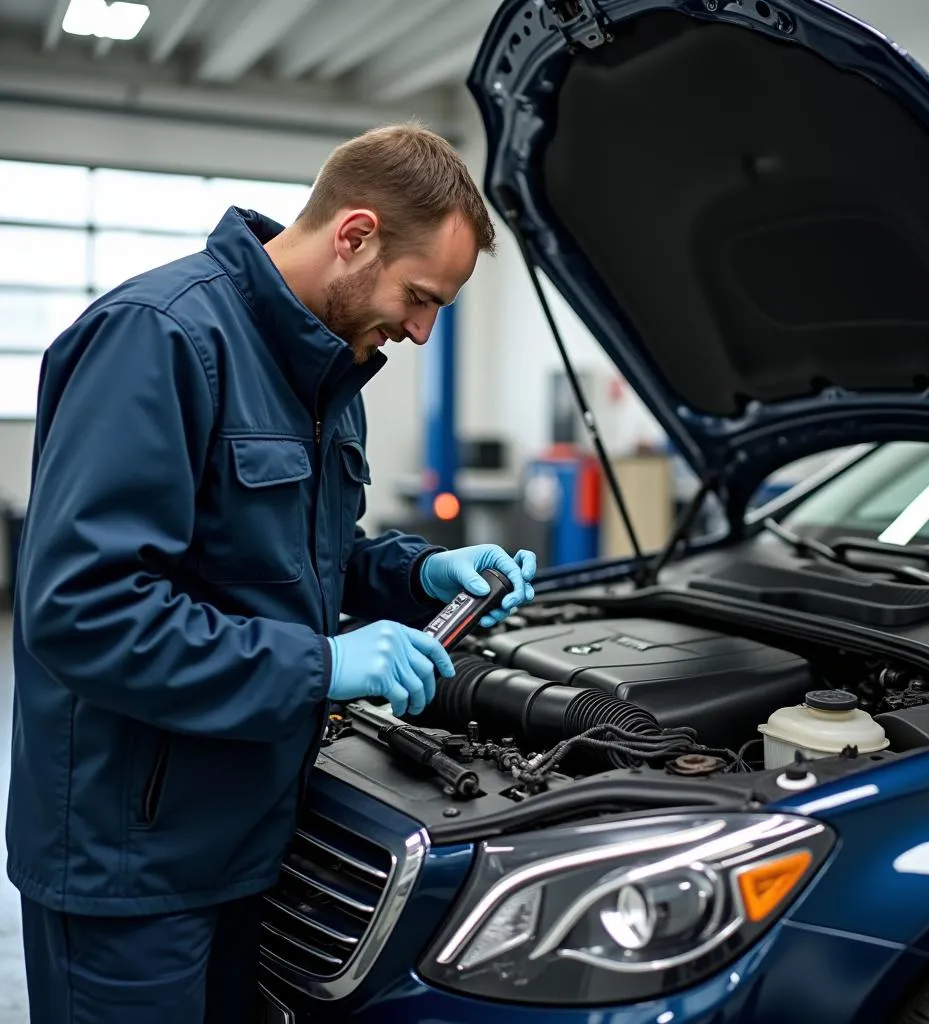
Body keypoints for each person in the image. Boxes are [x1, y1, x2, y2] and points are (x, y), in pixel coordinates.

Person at [6, 123, 537, 1023]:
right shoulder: (162, 339)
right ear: (355, 234)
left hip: (252, 842)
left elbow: (299, 557)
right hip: (132, 864)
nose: (419, 329)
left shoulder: (325, 372)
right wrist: (324, 665)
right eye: (420, 297)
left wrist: (421, 574)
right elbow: (84, 611)